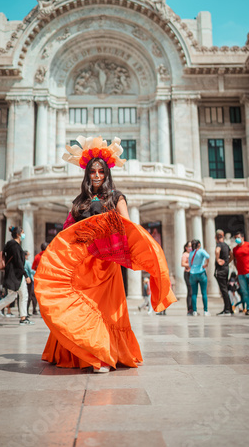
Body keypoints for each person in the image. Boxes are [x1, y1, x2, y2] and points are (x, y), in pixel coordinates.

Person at [34, 136, 176, 373]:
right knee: (80, 308)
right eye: (93, 171)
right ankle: (83, 352)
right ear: (87, 174)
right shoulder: (80, 201)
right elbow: (67, 232)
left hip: (106, 267)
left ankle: (102, 355)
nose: (97, 175)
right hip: (82, 267)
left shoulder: (116, 197)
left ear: (107, 173)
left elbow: (127, 227)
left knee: (104, 311)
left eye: (101, 171)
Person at [0, 226, 34, 325]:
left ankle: (23, 318)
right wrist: (26, 275)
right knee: (14, 296)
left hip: (15, 275)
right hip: (15, 275)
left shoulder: (13, 245)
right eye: (22, 232)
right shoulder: (14, 246)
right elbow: (18, 262)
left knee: (21, 295)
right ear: (18, 234)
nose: (24, 235)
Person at [232, 231, 249, 315]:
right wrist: (237, 267)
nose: (237, 239)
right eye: (235, 238)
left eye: (238, 237)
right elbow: (234, 259)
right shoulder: (235, 249)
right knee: (245, 291)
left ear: (242, 238)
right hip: (241, 273)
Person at [188, 239, 210, 316]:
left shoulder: (191, 253)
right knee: (204, 293)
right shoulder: (201, 251)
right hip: (201, 273)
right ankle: (206, 311)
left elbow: (190, 264)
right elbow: (208, 256)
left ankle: (194, 311)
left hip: (193, 274)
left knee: (194, 293)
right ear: (198, 245)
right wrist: (206, 264)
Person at [215, 229, 233, 316]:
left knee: (223, 290)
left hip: (220, 270)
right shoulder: (226, 245)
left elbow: (217, 251)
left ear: (216, 237)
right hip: (226, 269)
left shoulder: (219, 245)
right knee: (225, 288)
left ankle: (227, 310)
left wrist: (218, 259)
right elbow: (232, 255)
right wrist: (227, 262)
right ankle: (229, 308)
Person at [24, 251, 38, 316]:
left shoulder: (22, 262)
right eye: (28, 255)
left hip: (23, 280)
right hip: (29, 280)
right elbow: (31, 270)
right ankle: (27, 311)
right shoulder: (27, 263)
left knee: (24, 296)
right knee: (30, 296)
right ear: (25, 256)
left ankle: (25, 311)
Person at [181, 241, 193, 316]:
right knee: (190, 291)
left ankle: (193, 308)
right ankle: (189, 309)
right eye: (189, 246)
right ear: (186, 248)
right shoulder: (185, 254)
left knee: (193, 291)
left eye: (191, 246)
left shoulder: (192, 254)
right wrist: (191, 264)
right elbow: (182, 264)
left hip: (193, 273)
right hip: (187, 273)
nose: (190, 248)